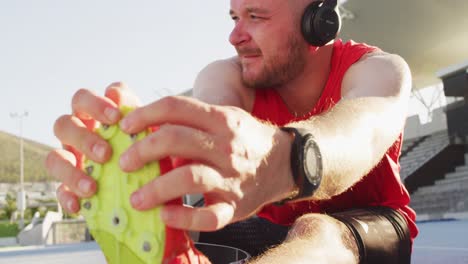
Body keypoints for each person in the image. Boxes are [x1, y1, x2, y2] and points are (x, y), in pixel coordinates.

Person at [45, 0, 418, 263]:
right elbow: (211, 114)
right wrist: (128, 155)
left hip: (369, 227)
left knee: (317, 229)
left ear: (318, 20)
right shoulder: (227, 74)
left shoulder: (379, 70)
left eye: (255, 16)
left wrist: (283, 156)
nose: (235, 36)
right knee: (183, 222)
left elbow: (359, 133)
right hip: (269, 228)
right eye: (234, 17)